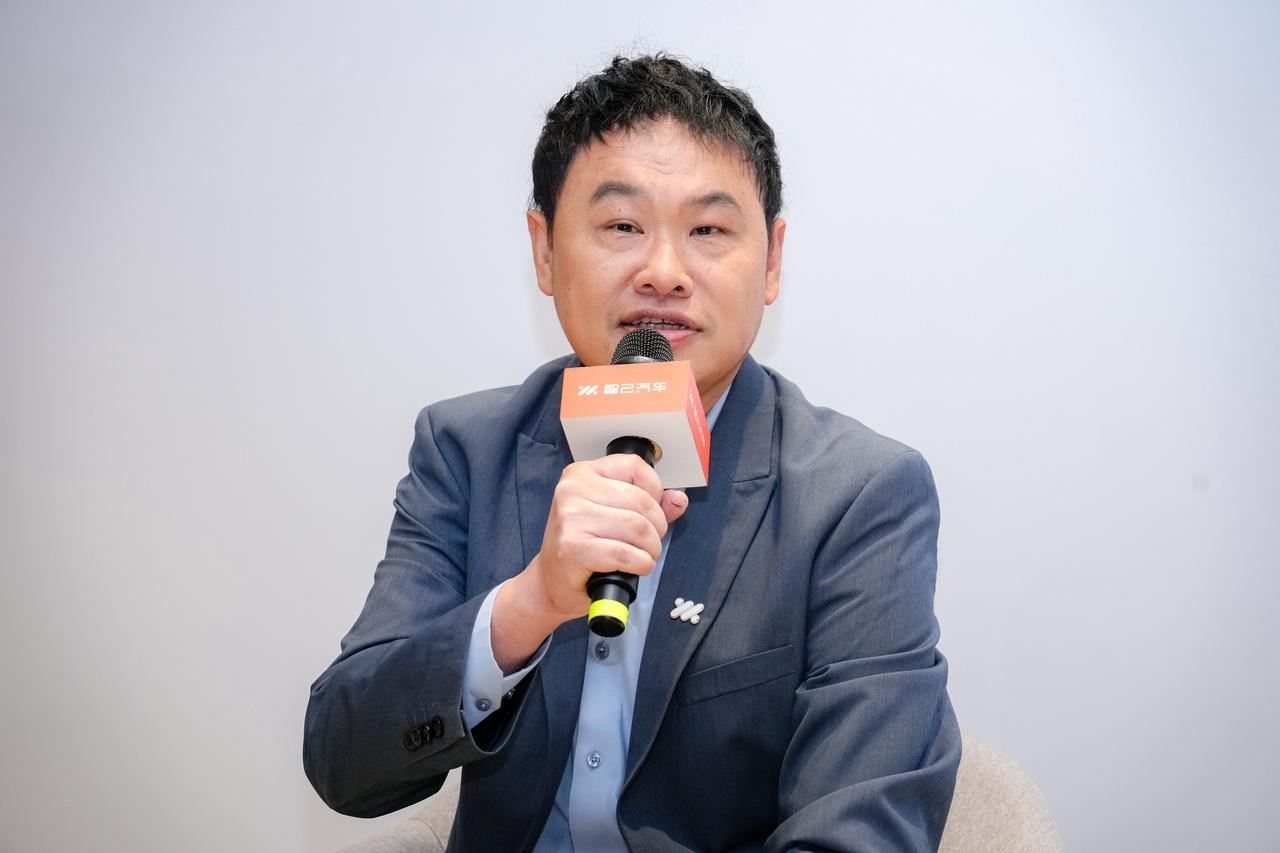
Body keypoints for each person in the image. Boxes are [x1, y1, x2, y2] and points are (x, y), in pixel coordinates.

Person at [305, 54, 960, 851]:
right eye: (622, 227)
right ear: (545, 252)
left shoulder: (859, 494)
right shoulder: (466, 450)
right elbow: (344, 760)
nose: (664, 272)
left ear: (772, 261)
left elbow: (859, 832)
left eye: (708, 231)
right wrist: (527, 605)